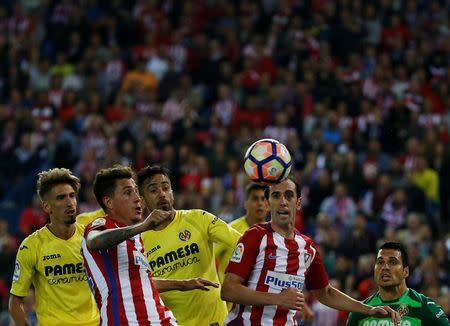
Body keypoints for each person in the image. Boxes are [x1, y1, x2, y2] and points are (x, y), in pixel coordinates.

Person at [221, 177, 400, 325]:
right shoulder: (255, 236)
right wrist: (276, 299)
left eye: (289, 196)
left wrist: (367, 309)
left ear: (298, 203)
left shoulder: (307, 247)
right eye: (276, 196)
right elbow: (228, 290)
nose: (283, 202)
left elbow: (326, 293)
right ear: (268, 203)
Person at [82, 165, 217, 326]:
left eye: (136, 191)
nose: (138, 198)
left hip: (160, 317)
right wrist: (143, 226)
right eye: (127, 192)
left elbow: (142, 280)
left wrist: (183, 284)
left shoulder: (136, 238)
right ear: (109, 202)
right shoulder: (102, 224)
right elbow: (94, 241)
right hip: (128, 320)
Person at [137, 165, 242, 326]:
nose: (162, 194)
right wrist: (183, 284)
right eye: (153, 190)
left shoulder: (199, 218)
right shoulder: (139, 242)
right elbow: (140, 285)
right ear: (142, 201)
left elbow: (241, 243)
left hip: (215, 321)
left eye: (166, 188)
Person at [9, 168, 99, 326]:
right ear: (47, 207)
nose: (69, 202)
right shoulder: (31, 246)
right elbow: (15, 302)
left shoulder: (90, 236)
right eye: (61, 198)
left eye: (72, 196)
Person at [346, 241, 450, 325]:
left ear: (405, 272)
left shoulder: (425, 308)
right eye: (380, 262)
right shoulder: (359, 312)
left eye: (393, 262)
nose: (385, 267)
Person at [215, 182, 269, 282]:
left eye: (263, 199)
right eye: (255, 198)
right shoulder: (229, 230)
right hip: (227, 296)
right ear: (245, 203)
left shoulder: (273, 234)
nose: (260, 203)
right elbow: (211, 257)